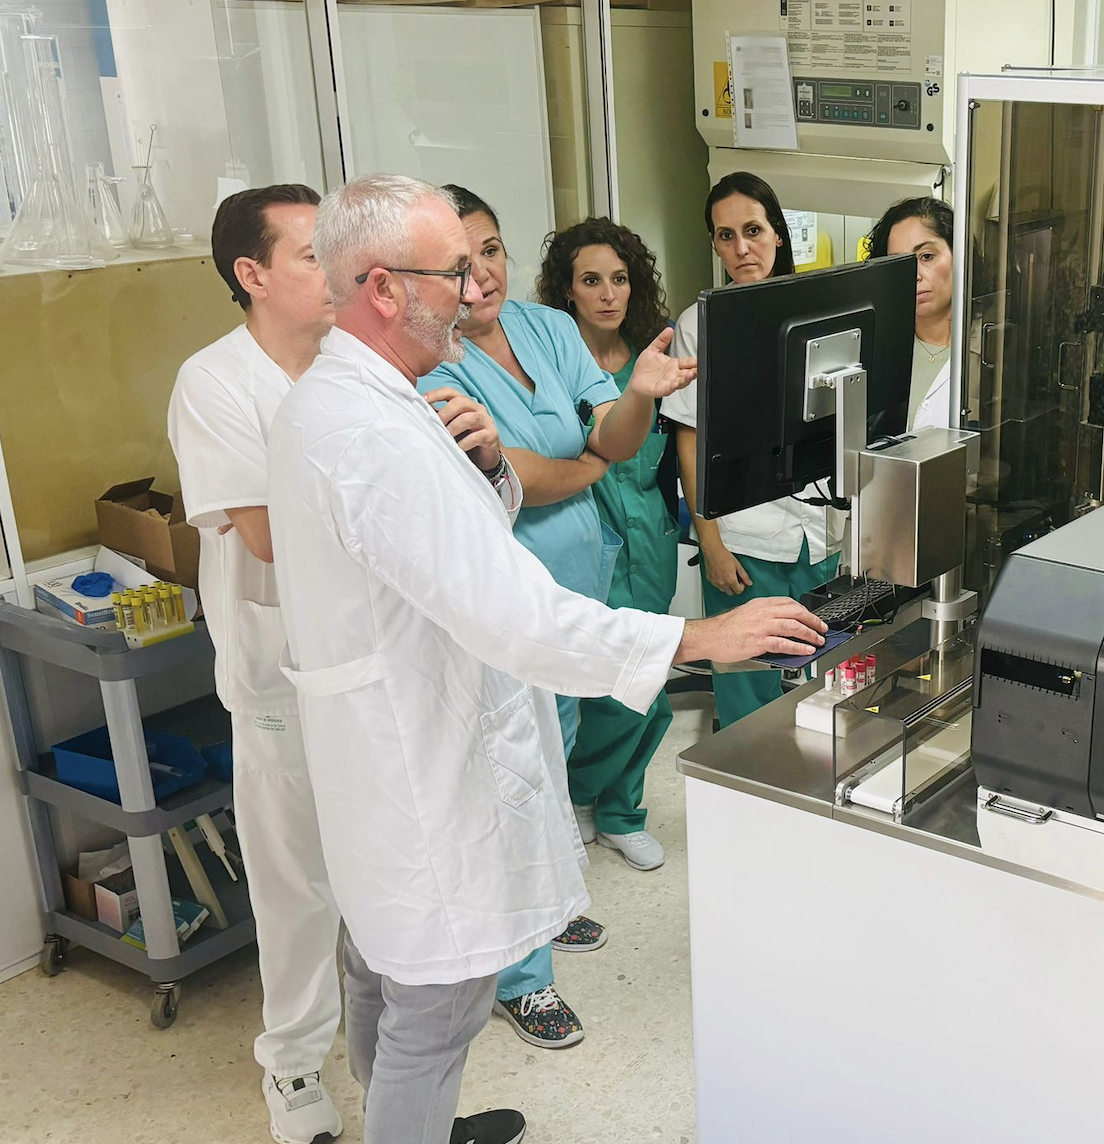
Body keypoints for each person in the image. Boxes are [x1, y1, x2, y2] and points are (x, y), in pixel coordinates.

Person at [265, 173, 826, 1144]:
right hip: (413, 765)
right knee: (432, 1015)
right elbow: (508, 611)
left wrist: (487, 469)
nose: (475, 288)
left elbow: (463, 540)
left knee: (384, 974)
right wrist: (694, 637)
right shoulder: (370, 433)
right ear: (386, 288)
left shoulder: (373, 403)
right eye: (452, 271)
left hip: (394, 749)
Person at [423, 188, 692, 1046]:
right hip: (506, 606)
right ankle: (520, 976)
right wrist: (573, 465)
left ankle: (550, 908)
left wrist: (640, 392)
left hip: (574, 587)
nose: (481, 279)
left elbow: (610, 440)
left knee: (561, 750)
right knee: (518, 780)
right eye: (459, 267)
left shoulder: (547, 327)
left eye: (491, 251)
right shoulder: (428, 364)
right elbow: (521, 479)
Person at [166, 184, 347, 1144]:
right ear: (254, 273)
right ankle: (293, 1069)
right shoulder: (216, 383)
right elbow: (269, 537)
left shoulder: (353, 363)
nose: (338, 270)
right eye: (315, 253)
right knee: (298, 883)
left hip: (369, 661)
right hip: (280, 672)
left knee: (377, 870)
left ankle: (393, 1065)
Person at [664, 172, 844, 728]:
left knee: (824, 683)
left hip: (818, 537)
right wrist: (711, 543)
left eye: (753, 230)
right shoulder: (702, 326)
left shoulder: (824, 307)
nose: (741, 249)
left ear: (779, 233)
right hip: (745, 543)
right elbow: (690, 440)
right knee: (749, 692)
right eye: (725, 236)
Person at [534, 217, 680, 874]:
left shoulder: (654, 357)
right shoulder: (550, 365)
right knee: (597, 684)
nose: (607, 293)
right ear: (566, 292)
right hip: (586, 531)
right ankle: (580, 796)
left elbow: (675, 448)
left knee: (650, 683)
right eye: (590, 280)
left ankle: (621, 811)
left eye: (618, 279)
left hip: (649, 530)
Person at [866, 196, 956, 429]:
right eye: (899, 263)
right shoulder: (875, 350)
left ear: (960, 256)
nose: (914, 274)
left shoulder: (994, 350)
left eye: (927, 256)